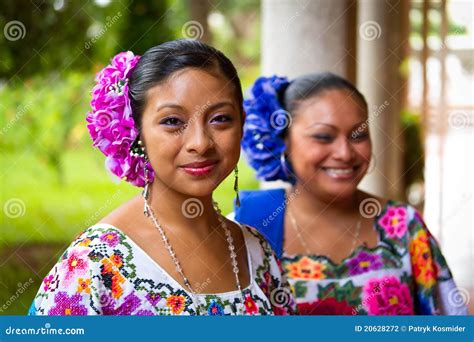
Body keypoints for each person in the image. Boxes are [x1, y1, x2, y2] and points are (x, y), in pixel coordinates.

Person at [28, 39, 296, 316]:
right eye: (172, 121)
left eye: (220, 119)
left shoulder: (258, 253)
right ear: (136, 131)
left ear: (241, 123)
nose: (200, 143)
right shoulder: (95, 264)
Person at [233, 72, 467, 315]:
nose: (345, 153)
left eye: (358, 135)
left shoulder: (403, 227)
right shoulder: (248, 228)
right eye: (324, 136)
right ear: (283, 142)